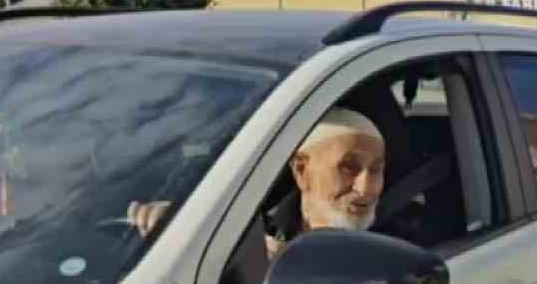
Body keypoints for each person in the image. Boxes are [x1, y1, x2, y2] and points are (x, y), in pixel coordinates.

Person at [128, 106, 438, 255]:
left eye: (377, 169)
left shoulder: (402, 242)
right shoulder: (264, 221)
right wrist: (186, 227)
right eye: (349, 168)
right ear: (301, 171)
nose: (367, 189)